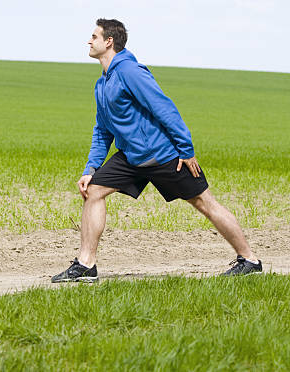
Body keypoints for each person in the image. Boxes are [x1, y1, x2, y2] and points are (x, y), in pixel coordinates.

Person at [51, 18, 262, 283]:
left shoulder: (131, 72)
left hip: (164, 155)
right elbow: (102, 130)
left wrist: (185, 150)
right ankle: (86, 265)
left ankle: (250, 260)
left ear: (109, 42)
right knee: (93, 191)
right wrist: (91, 169)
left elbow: (164, 108)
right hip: (131, 157)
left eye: (94, 36)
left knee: (204, 203)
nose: (89, 41)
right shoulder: (102, 84)